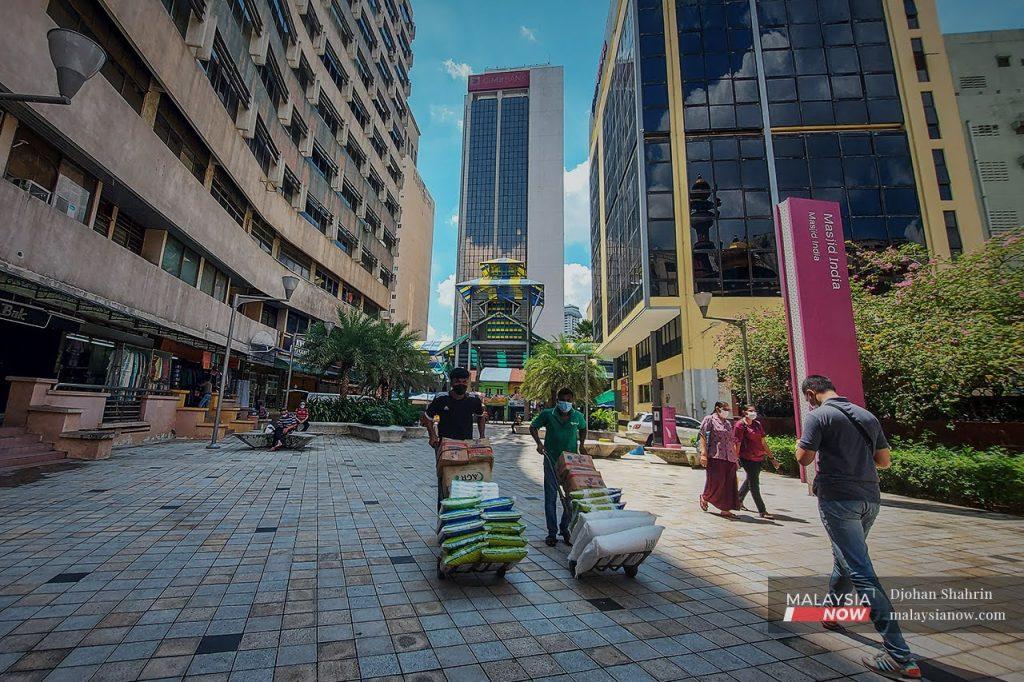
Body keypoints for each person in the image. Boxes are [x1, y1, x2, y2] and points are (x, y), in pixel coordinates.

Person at [795, 375, 919, 680]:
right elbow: (884, 461)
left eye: (807, 397)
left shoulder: (818, 416)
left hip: (839, 499)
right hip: (870, 498)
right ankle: (832, 614)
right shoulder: (866, 415)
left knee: (860, 570)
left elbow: (804, 457)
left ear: (810, 393)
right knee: (846, 560)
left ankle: (899, 655)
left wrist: (803, 446)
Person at [530, 388, 589, 547]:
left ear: (572, 401)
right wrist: (539, 444)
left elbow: (583, 428)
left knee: (571, 497)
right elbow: (533, 427)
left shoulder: (578, 416)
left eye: (569, 400)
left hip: (571, 462)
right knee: (551, 497)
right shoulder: (548, 414)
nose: (566, 403)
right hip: (551, 460)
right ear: (557, 401)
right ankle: (551, 532)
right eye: (563, 400)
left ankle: (565, 528)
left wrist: (582, 445)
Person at [421, 368, 486, 504]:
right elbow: (427, 417)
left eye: (464, 382)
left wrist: (482, 436)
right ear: (451, 382)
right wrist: (432, 436)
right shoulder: (441, 398)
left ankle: (463, 510)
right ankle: (444, 510)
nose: (461, 384)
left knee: (464, 480)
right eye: (457, 382)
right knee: (445, 481)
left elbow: (481, 416)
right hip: (445, 446)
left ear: (468, 382)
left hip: (466, 446)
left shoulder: (473, 400)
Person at [734, 404, 780, 519]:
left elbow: (763, 443)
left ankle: (738, 500)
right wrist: (735, 459)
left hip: (759, 457)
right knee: (754, 484)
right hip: (747, 458)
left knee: (751, 479)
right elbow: (737, 443)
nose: (753, 413)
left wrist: (772, 458)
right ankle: (762, 510)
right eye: (750, 411)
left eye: (754, 411)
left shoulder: (757, 424)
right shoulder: (740, 425)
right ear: (744, 412)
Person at [698, 401, 740, 518]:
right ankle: (706, 496)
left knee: (729, 484)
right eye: (725, 409)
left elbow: (731, 440)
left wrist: (736, 459)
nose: (727, 412)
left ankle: (725, 509)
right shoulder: (710, 419)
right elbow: (702, 435)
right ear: (718, 408)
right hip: (716, 455)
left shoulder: (727, 423)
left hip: (729, 457)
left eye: (728, 409)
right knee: (717, 482)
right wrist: (703, 454)